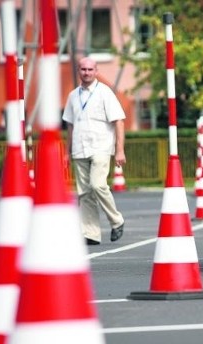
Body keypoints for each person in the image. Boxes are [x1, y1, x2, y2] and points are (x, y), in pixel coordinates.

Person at [62, 57, 126, 245]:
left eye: (90, 69)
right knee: (85, 192)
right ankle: (91, 233)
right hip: (79, 149)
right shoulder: (73, 96)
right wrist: (67, 152)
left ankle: (116, 220)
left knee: (98, 185)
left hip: (101, 147)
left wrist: (119, 150)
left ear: (96, 71)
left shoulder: (105, 93)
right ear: (79, 71)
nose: (87, 73)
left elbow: (119, 122)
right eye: (83, 69)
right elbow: (70, 126)